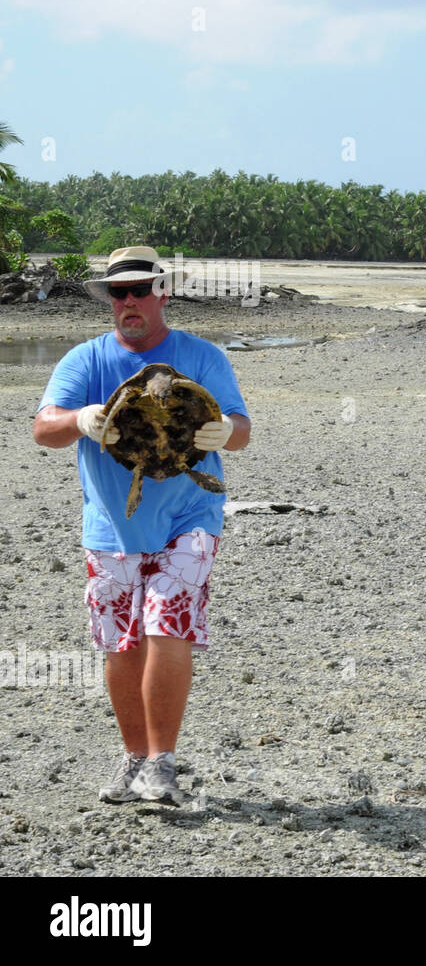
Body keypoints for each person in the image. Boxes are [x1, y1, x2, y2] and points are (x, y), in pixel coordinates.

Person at [33, 246, 251, 805]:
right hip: (111, 523)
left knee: (166, 627)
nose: (128, 300)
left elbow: (241, 429)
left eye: (139, 290)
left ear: (162, 292)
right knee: (121, 645)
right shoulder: (85, 360)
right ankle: (134, 758)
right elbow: (44, 428)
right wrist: (80, 419)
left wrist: (227, 431)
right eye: (118, 292)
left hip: (189, 515)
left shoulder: (202, 356)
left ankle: (161, 763)